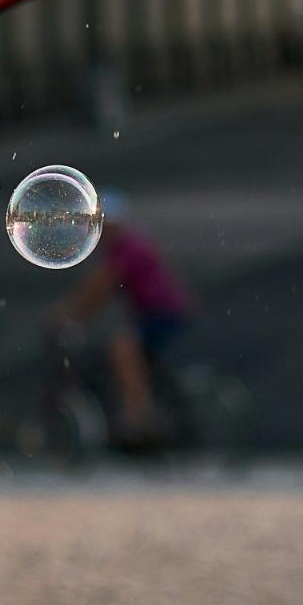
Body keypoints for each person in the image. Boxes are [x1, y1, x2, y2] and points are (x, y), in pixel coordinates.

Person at [51, 191, 192, 448]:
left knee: (123, 348)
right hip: (159, 312)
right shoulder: (126, 246)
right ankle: (140, 402)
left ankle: (138, 413)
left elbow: (98, 289)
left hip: (162, 312)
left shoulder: (127, 250)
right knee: (127, 348)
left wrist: (68, 315)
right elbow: (96, 290)